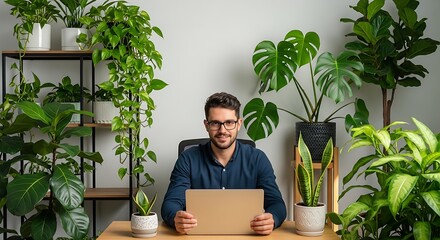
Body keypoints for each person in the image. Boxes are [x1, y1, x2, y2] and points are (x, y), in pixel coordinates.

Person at [161, 92, 287, 235]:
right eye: (215, 123)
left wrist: (272, 219)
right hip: (199, 236)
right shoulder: (188, 159)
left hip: (247, 236)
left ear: (239, 124)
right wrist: (176, 218)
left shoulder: (258, 159)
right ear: (206, 125)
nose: (222, 130)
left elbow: (277, 204)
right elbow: (170, 204)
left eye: (229, 123)